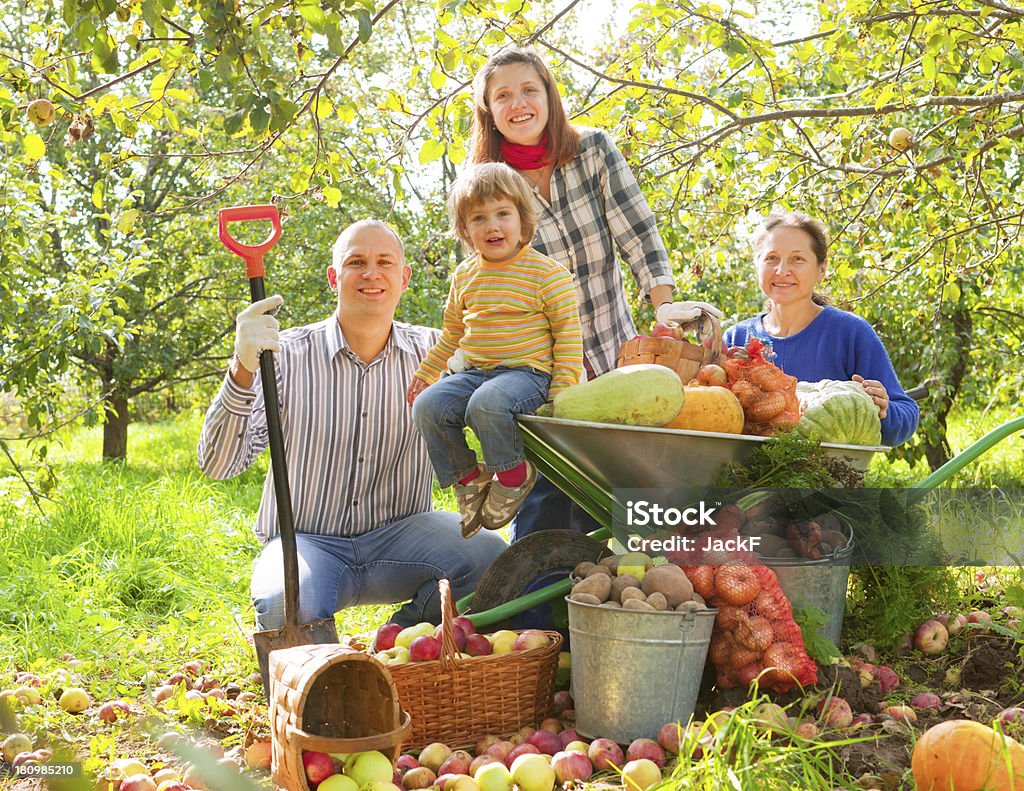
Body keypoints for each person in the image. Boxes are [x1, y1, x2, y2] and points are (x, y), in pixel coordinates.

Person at [197, 220, 507, 631]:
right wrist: (242, 367)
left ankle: (402, 639)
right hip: (306, 544)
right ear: (333, 277)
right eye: (356, 262)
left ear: (404, 277)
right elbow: (218, 465)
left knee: (491, 558)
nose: (371, 273)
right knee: (282, 604)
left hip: (402, 538)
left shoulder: (438, 356)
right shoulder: (282, 356)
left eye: (384, 262)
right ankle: (326, 681)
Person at [469, 46, 721, 540]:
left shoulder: (593, 151)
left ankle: (614, 598)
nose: (519, 104)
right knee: (547, 501)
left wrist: (663, 303)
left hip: (610, 353)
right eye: (503, 96)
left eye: (528, 90)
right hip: (536, 365)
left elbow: (639, 234)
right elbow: (486, 280)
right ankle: (539, 611)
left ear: (548, 95)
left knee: (613, 494)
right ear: (489, 111)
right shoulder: (483, 186)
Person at [407, 163, 584, 539]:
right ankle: (470, 478)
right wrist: (426, 373)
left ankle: (514, 474)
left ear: (522, 219)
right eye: (479, 218)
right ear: (465, 230)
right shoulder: (466, 276)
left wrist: (561, 392)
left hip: (529, 375)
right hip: (476, 371)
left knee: (486, 403)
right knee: (428, 407)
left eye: (503, 214)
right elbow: (452, 333)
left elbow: (569, 337)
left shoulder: (548, 274)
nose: (492, 226)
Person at [724, 209, 919, 446]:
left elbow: (906, 415)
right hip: (744, 476)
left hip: (826, 477)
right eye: (771, 258)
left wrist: (883, 409)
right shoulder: (737, 338)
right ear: (756, 265)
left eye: (797, 259)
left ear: (822, 269)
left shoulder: (850, 333)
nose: (782, 270)